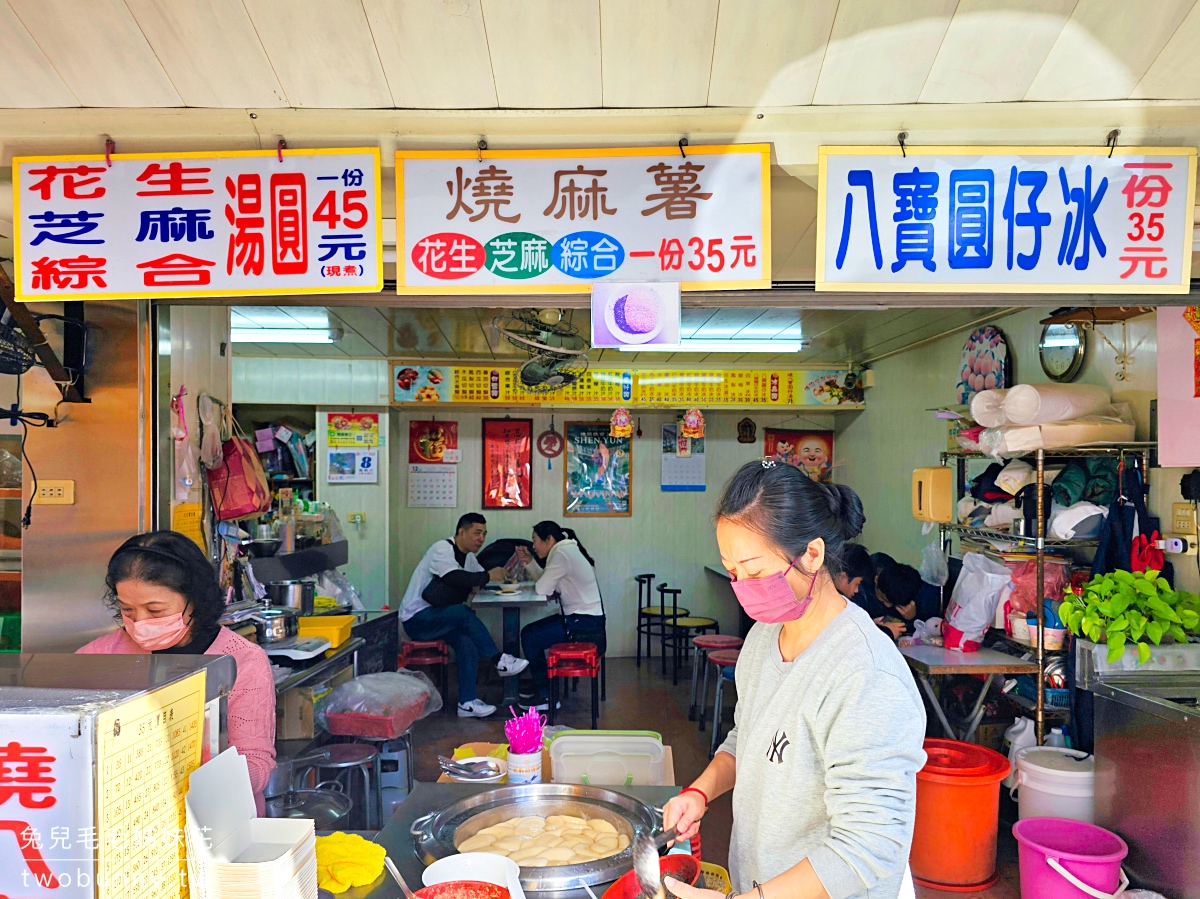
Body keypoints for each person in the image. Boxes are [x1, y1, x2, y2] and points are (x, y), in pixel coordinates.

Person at [662, 460, 926, 899]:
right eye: (733, 571)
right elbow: (745, 740)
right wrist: (699, 793)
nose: (743, 586)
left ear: (813, 554)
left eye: (756, 570)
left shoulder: (865, 675)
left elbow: (867, 846)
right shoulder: (765, 637)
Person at [77, 531, 277, 814]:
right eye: (128, 610)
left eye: (155, 610)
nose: (140, 622)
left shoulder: (243, 660)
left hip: (215, 819)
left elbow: (256, 762)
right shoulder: (96, 658)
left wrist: (187, 786)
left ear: (193, 600)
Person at [400, 512, 528, 718]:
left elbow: (478, 579)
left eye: (484, 534)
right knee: (462, 612)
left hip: (439, 618)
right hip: (417, 619)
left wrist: (505, 577)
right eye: (477, 533)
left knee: (466, 641)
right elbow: (455, 577)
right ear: (461, 531)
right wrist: (486, 575)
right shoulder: (442, 549)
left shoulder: (469, 557)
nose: (481, 538)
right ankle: (499, 660)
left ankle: (466, 703)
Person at [515, 521, 606, 711]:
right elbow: (547, 583)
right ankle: (543, 685)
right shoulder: (565, 550)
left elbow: (542, 587)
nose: (534, 546)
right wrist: (530, 561)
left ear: (549, 540)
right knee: (531, 632)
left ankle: (547, 695)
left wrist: (533, 566)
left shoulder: (561, 554)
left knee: (530, 636)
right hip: (582, 619)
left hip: (583, 625)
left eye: (535, 541)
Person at [875, 564, 922, 638]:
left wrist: (911, 619)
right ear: (876, 580)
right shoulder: (860, 596)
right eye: (884, 599)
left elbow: (915, 636)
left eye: (894, 604)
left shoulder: (905, 594)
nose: (888, 605)